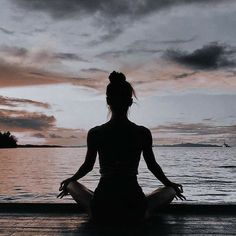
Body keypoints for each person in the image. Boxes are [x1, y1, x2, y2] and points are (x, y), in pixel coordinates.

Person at [58, 71, 185, 223]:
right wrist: (169, 184)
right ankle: (142, 207)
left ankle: (78, 190)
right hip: (135, 208)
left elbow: (88, 166)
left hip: (101, 209)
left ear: (107, 100)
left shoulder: (96, 133)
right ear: (130, 102)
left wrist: (71, 179)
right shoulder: (142, 133)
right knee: (169, 190)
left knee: (72, 184)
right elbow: (152, 166)